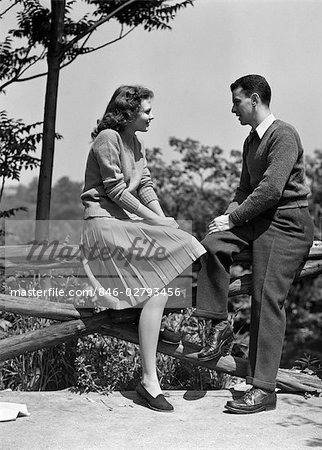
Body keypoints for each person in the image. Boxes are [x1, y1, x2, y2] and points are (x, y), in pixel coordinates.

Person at [193, 74, 314, 414]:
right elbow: (245, 191)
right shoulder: (251, 141)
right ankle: (218, 325)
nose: (233, 109)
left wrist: (234, 218)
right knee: (212, 243)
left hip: (288, 223)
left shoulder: (283, 135)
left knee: (266, 298)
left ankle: (263, 389)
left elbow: (272, 189)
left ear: (255, 100)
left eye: (237, 102)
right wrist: (227, 217)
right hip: (257, 219)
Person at [80, 85, 205, 413]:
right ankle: (150, 379)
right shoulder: (108, 138)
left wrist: (164, 221)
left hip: (124, 226)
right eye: (146, 111)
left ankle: (149, 378)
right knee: (175, 264)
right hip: (104, 227)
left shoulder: (136, 143)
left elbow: (145, 185)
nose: (151, 116)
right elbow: (117, 192)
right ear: (128, 112)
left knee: (183, 251)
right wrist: (158, 223)